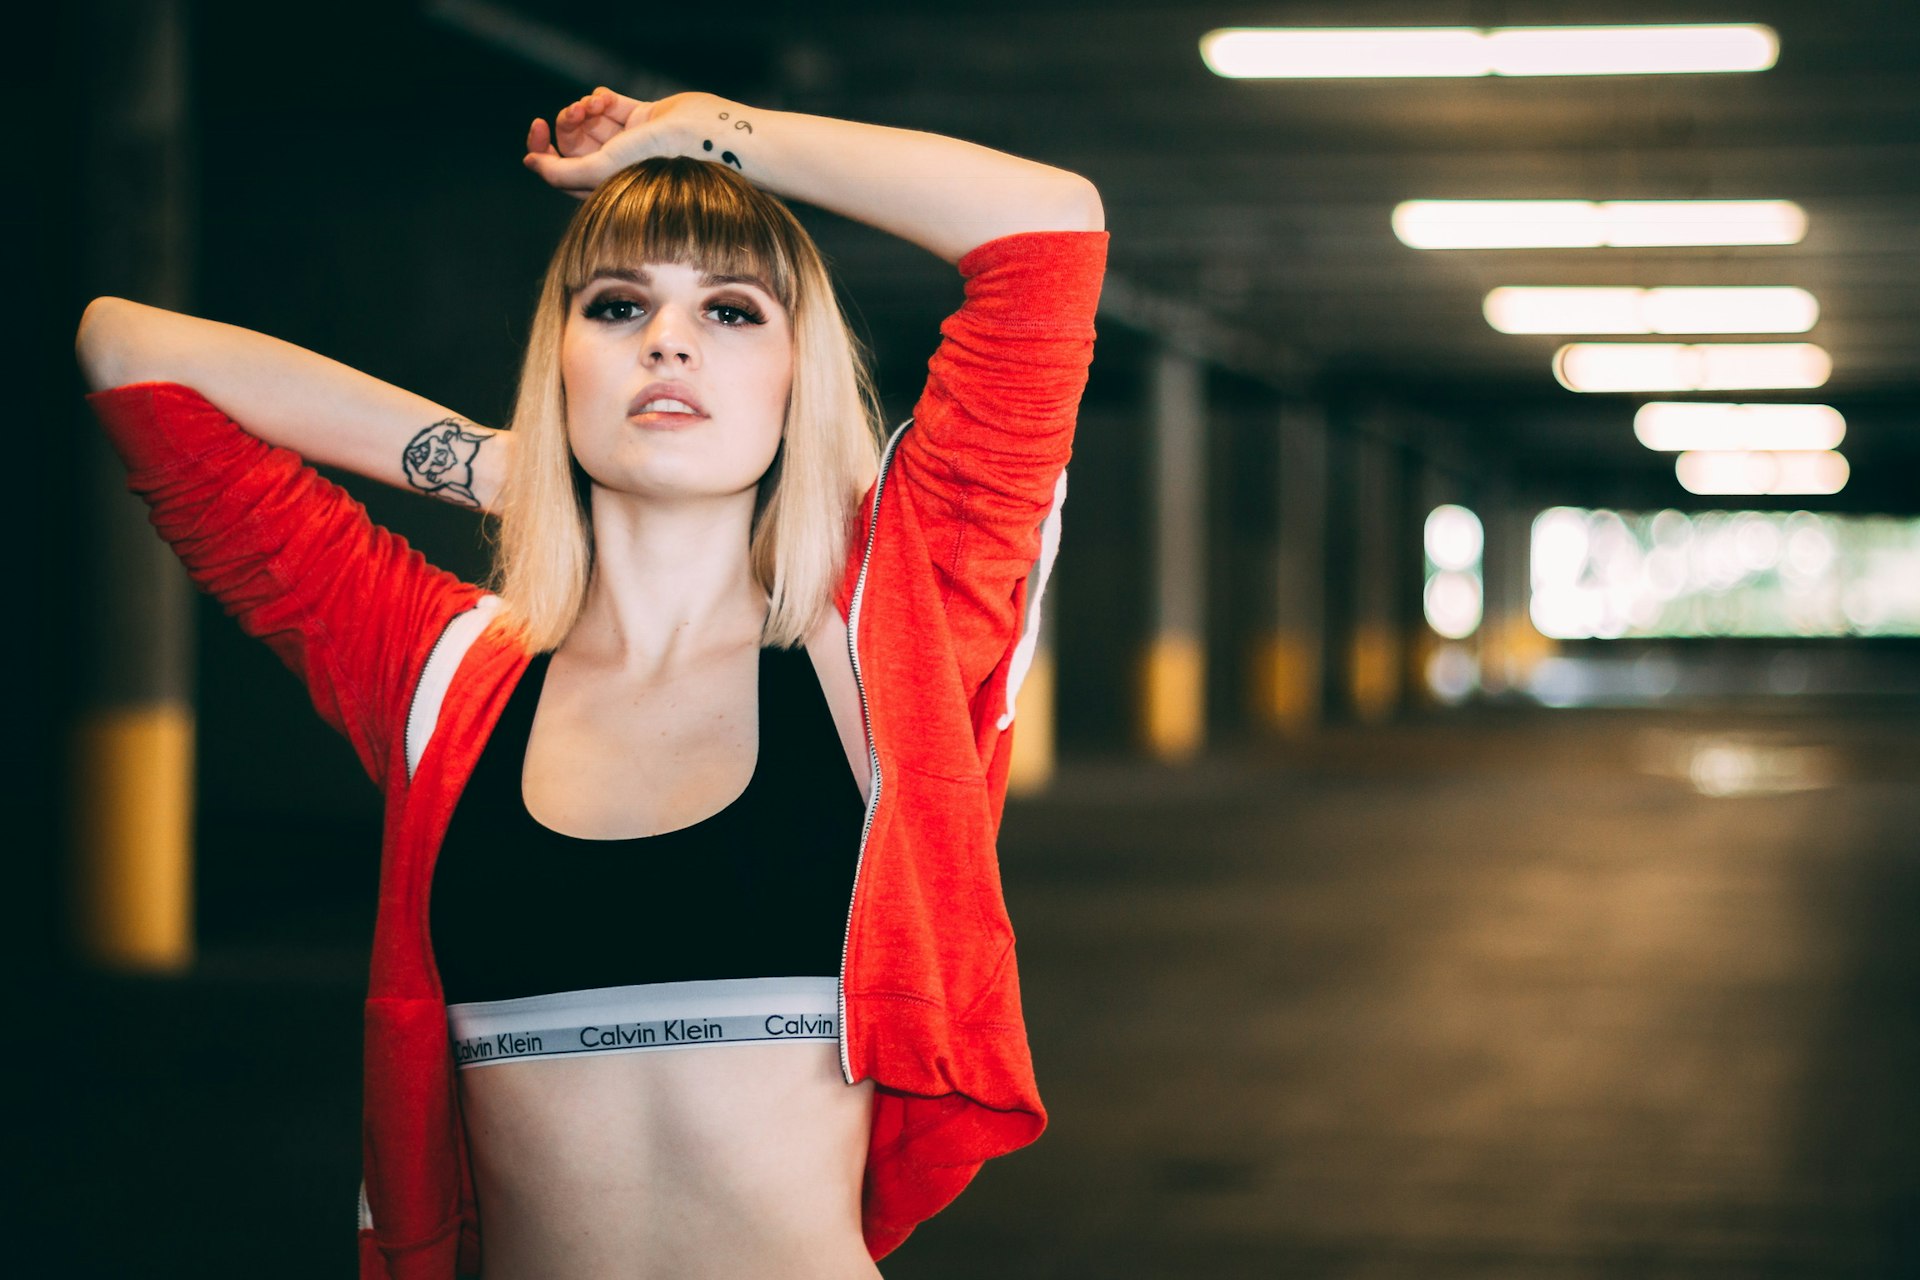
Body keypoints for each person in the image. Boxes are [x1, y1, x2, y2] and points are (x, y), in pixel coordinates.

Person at [76, 86, 1105, 1279]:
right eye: (618, 306)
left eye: (731, 309)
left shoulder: (894, 627)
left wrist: (703, 128)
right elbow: (125, 349)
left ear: (798, 378)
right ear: (558, 362)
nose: (668, 340)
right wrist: (503, 465)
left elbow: (1048, 230)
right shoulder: (436, 669)